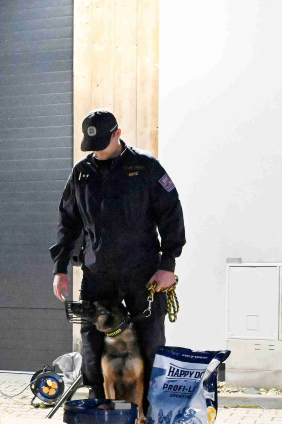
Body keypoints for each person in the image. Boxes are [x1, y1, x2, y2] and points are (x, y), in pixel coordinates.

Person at [50, 109, 185, 405]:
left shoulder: (146, 167)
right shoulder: (82, 173)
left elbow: (171, 215)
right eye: (92, 146)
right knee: (91, 343)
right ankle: (98, 404)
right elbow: (68, 223)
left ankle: (151, 410)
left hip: (143, 273)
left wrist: (168, 264)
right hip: (98, 274)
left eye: (103, 144)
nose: (97, 151)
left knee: (150, 341)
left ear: (118, 134)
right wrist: (60, 268)